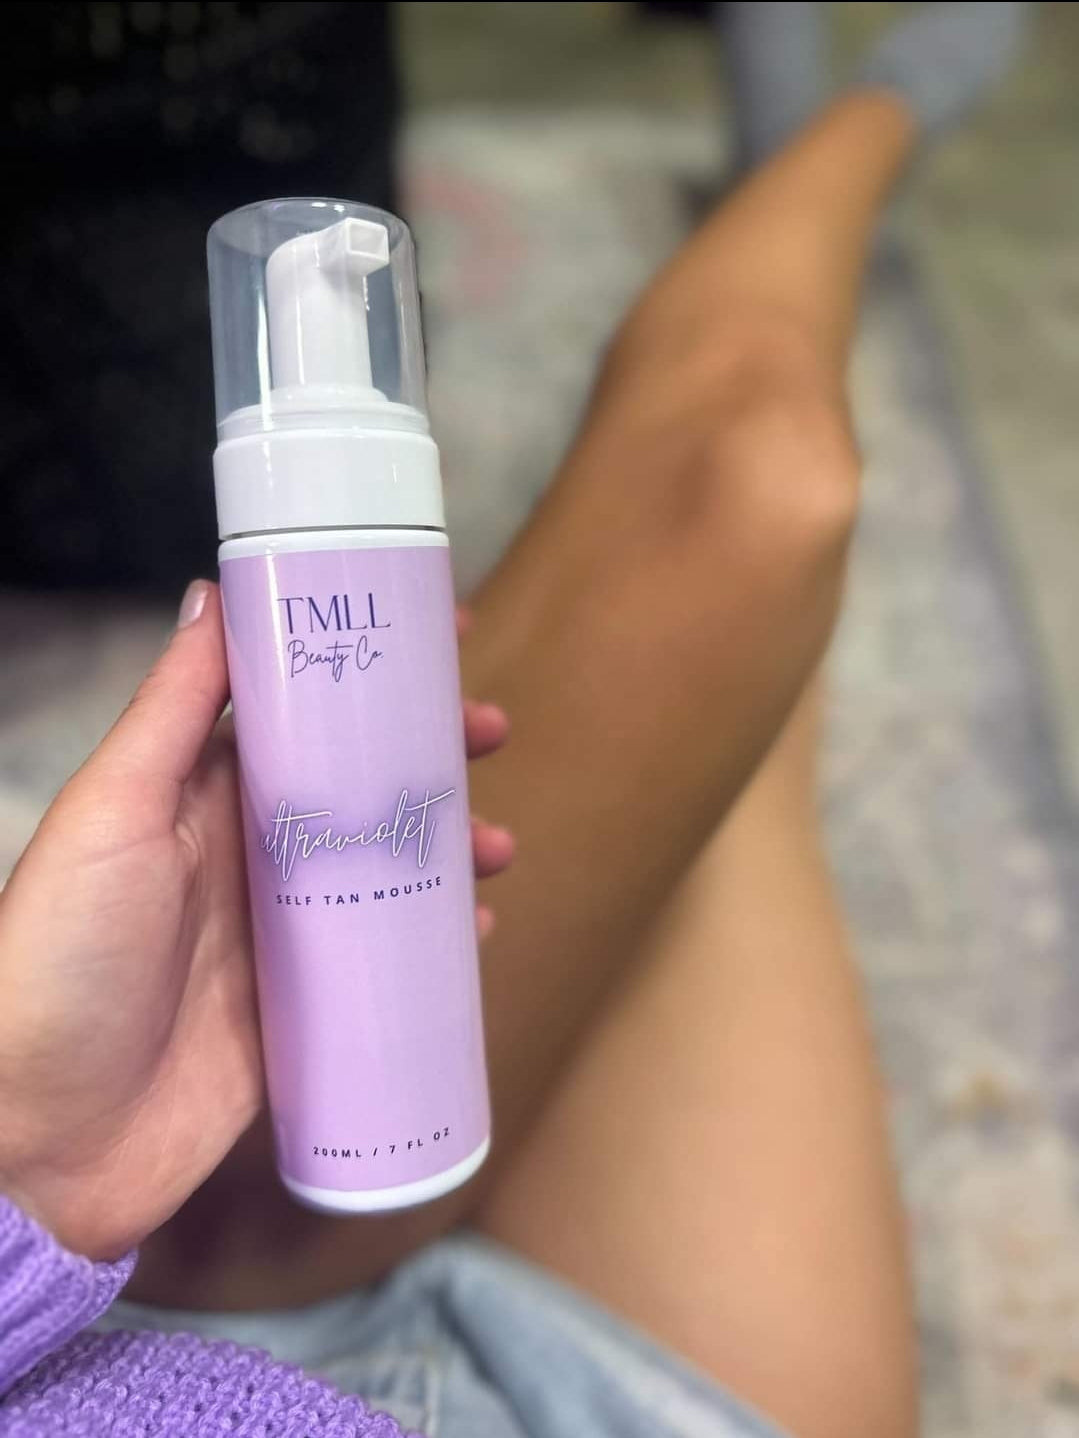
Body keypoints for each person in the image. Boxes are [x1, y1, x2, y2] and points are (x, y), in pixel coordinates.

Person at [0, 7, 1026, 1436]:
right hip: (577, 1402)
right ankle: (858, 134)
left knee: (761, 514)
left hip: (120, 1294)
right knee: (759, 498)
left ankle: (812, 163)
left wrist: (27, 1160)